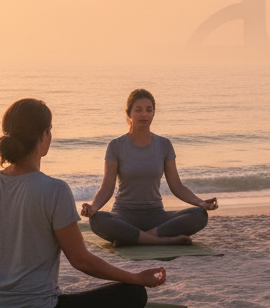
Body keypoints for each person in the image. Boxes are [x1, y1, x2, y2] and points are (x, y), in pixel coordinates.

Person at [0, 98, 166, 308]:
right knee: (134, 295)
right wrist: (136, 277)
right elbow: (81, 260)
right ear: (45, 135)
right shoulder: (54, 190)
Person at [82, 89, 217, 247]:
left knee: (199, 215)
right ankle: (164, 241)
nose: (144, 114)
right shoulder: (116, 146)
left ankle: (137, 238)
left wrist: (201, 203)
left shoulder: (164, 145)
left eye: (149, 110)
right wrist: (93, 207)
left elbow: (177, 186)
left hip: (156, 217)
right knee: (97, 220)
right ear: (129, 113)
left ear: (154, 113)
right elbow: (107, 187)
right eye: (138, 110)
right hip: (124, 216)